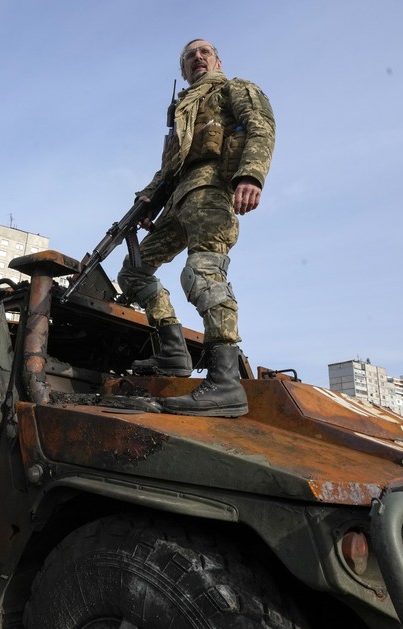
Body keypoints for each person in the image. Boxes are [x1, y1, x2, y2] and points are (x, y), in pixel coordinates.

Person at [117, 38, 276, 418]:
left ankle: (225, 382)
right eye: (190, 56)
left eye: (205, 52)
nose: (198, 57)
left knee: (202, 271)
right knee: (134, 273)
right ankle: (173, 352)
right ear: (183, 70)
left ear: (217, 60)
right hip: (177, 200)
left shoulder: (233, 88)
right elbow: (168, 168)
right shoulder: (181, 112)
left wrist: (250, 175)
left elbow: (261, 127)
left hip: (211, 188)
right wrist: (146, 201)